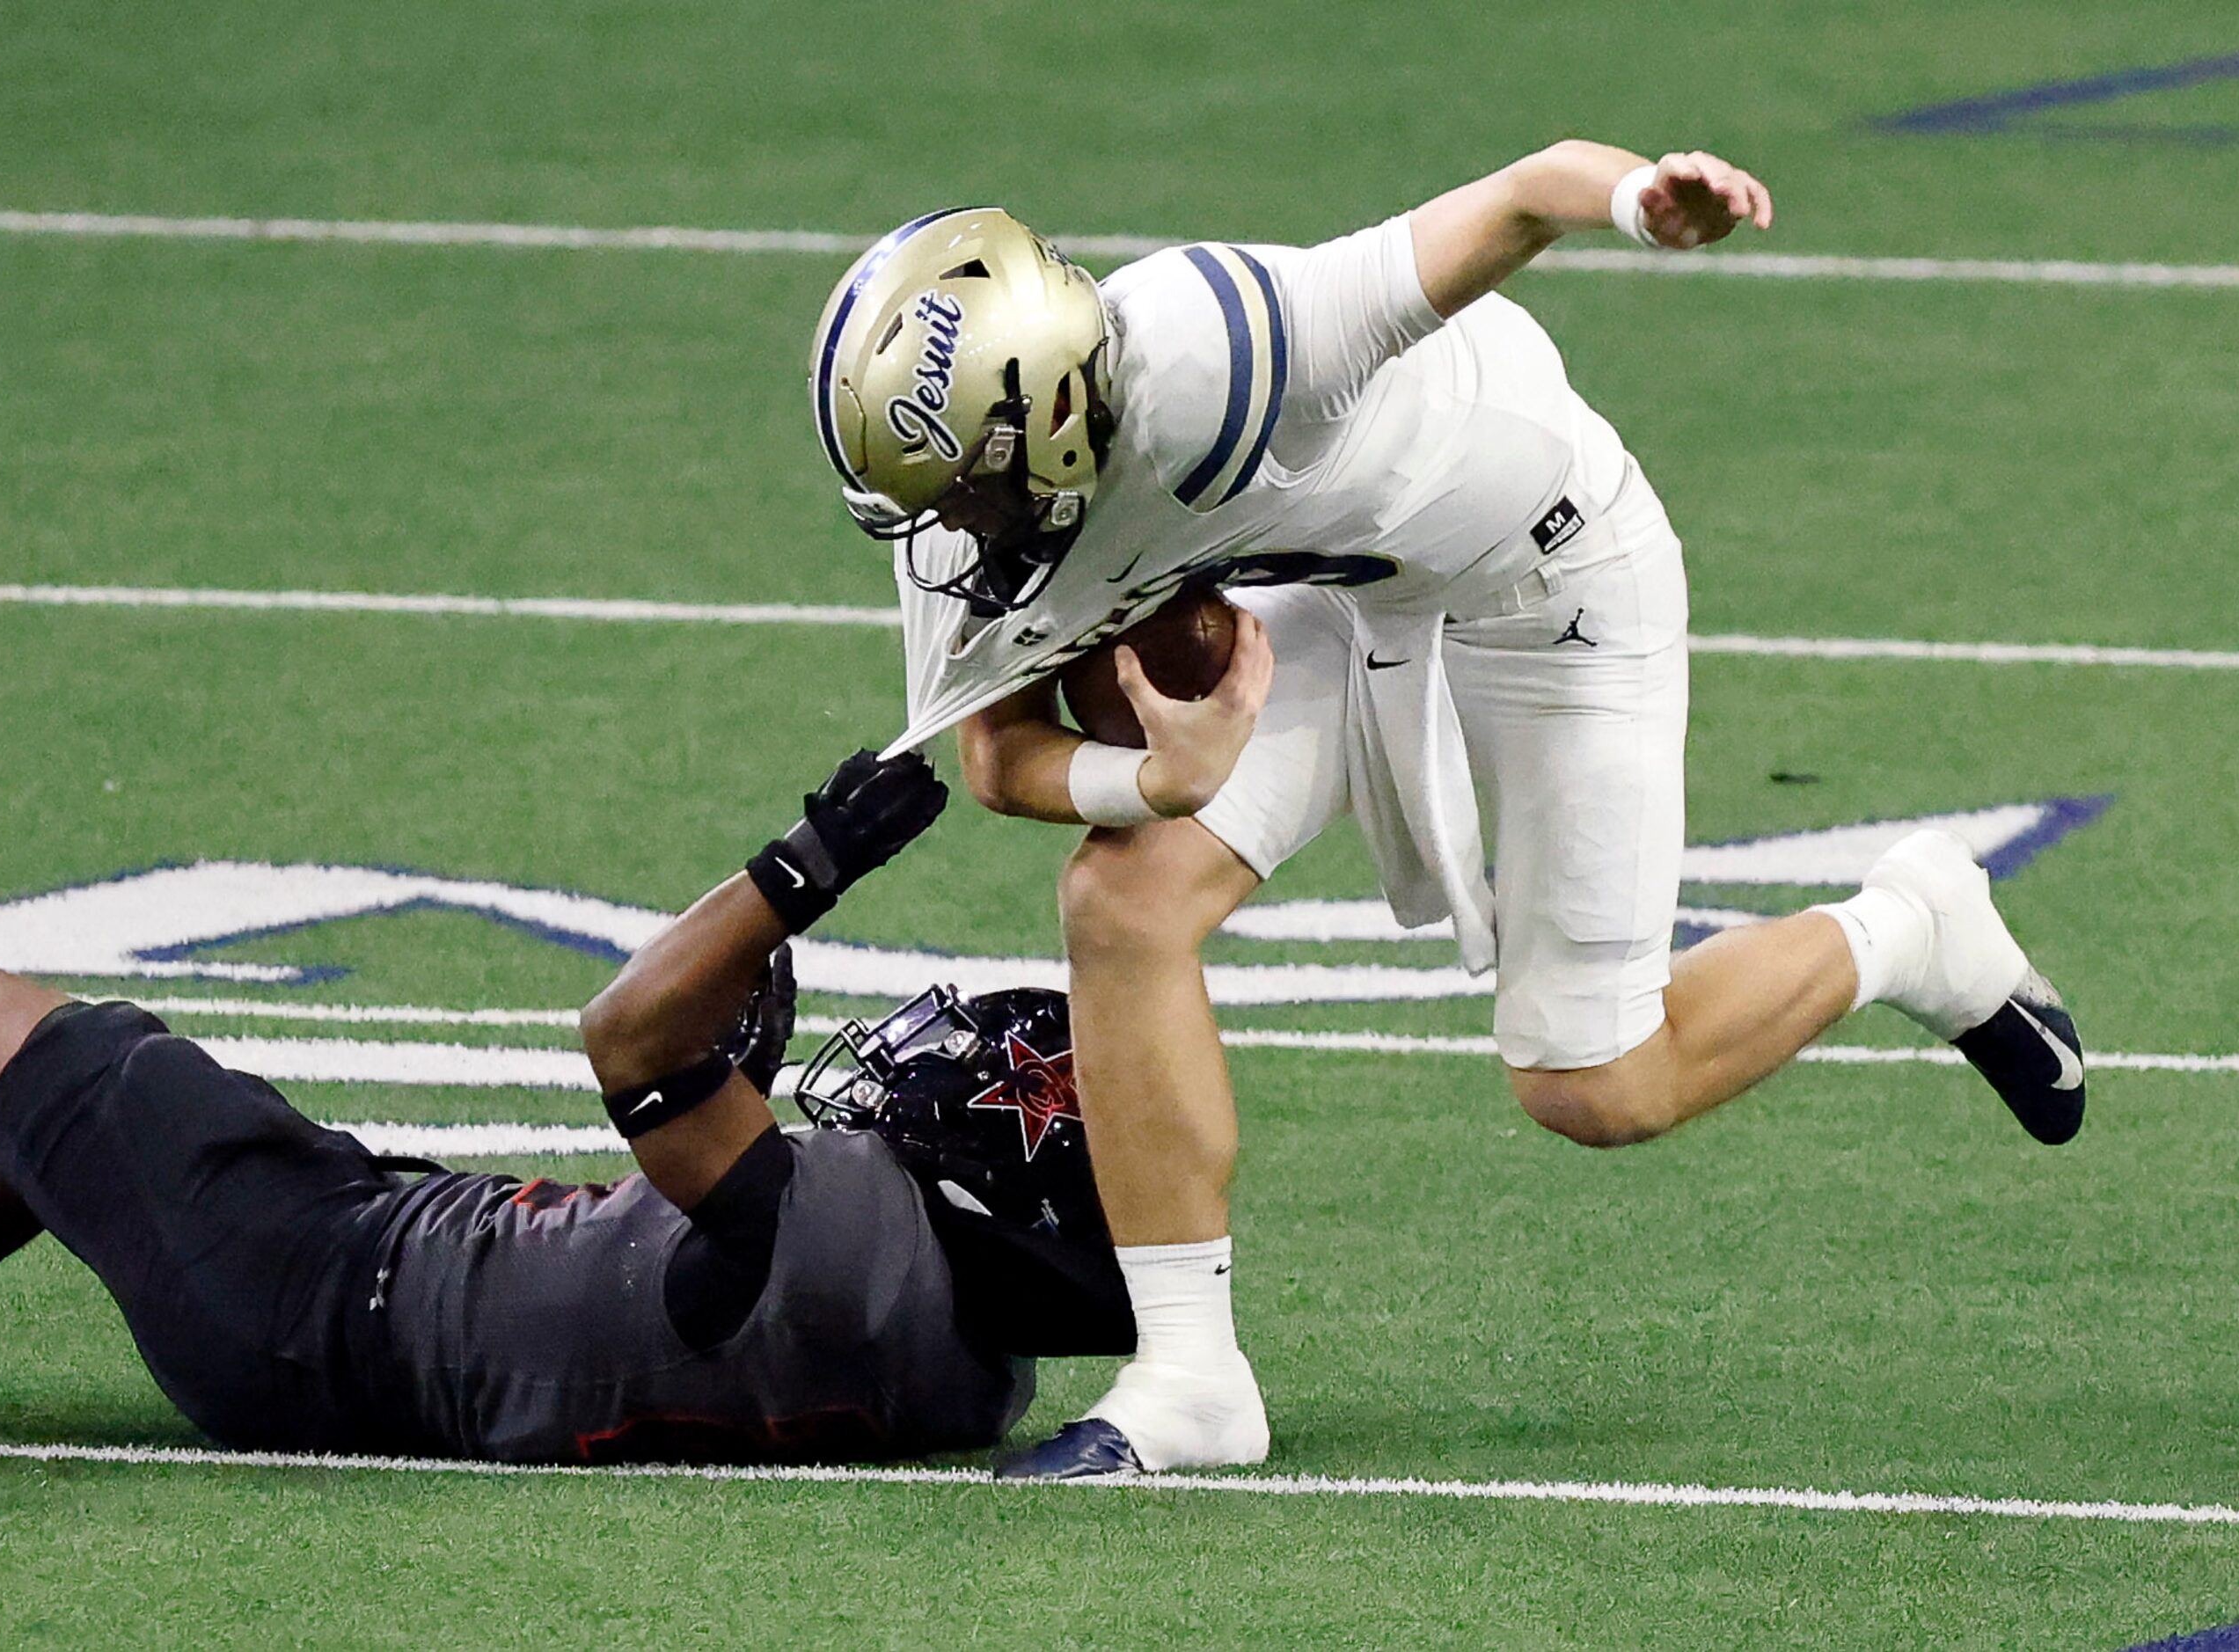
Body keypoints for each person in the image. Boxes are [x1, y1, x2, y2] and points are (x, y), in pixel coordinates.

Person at [809, 144, 2087, 1477]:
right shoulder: (964, 525)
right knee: (1121, 896)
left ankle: (1912, 929)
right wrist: (1155, 782)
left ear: (1055, 412)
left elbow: (1525, 192)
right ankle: (1192, 1379)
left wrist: (1641, 201)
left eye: (965, 481)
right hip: (1342, 592)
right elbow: (999, 754)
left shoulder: (1231, 350)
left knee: (1593, 1083)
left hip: (1551, 565)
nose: (948, 525)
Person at [0, 750, 1138, 1466]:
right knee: (62, 1127)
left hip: (326, 1286)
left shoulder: (841, 1232)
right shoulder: (960, 1366)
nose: (895, 1095)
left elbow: (627, 1036)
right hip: (377, 1306)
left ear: (994, 1167)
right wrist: (734, 1081)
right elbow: (712, 1233)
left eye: (942, 1089)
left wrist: (805, 864)